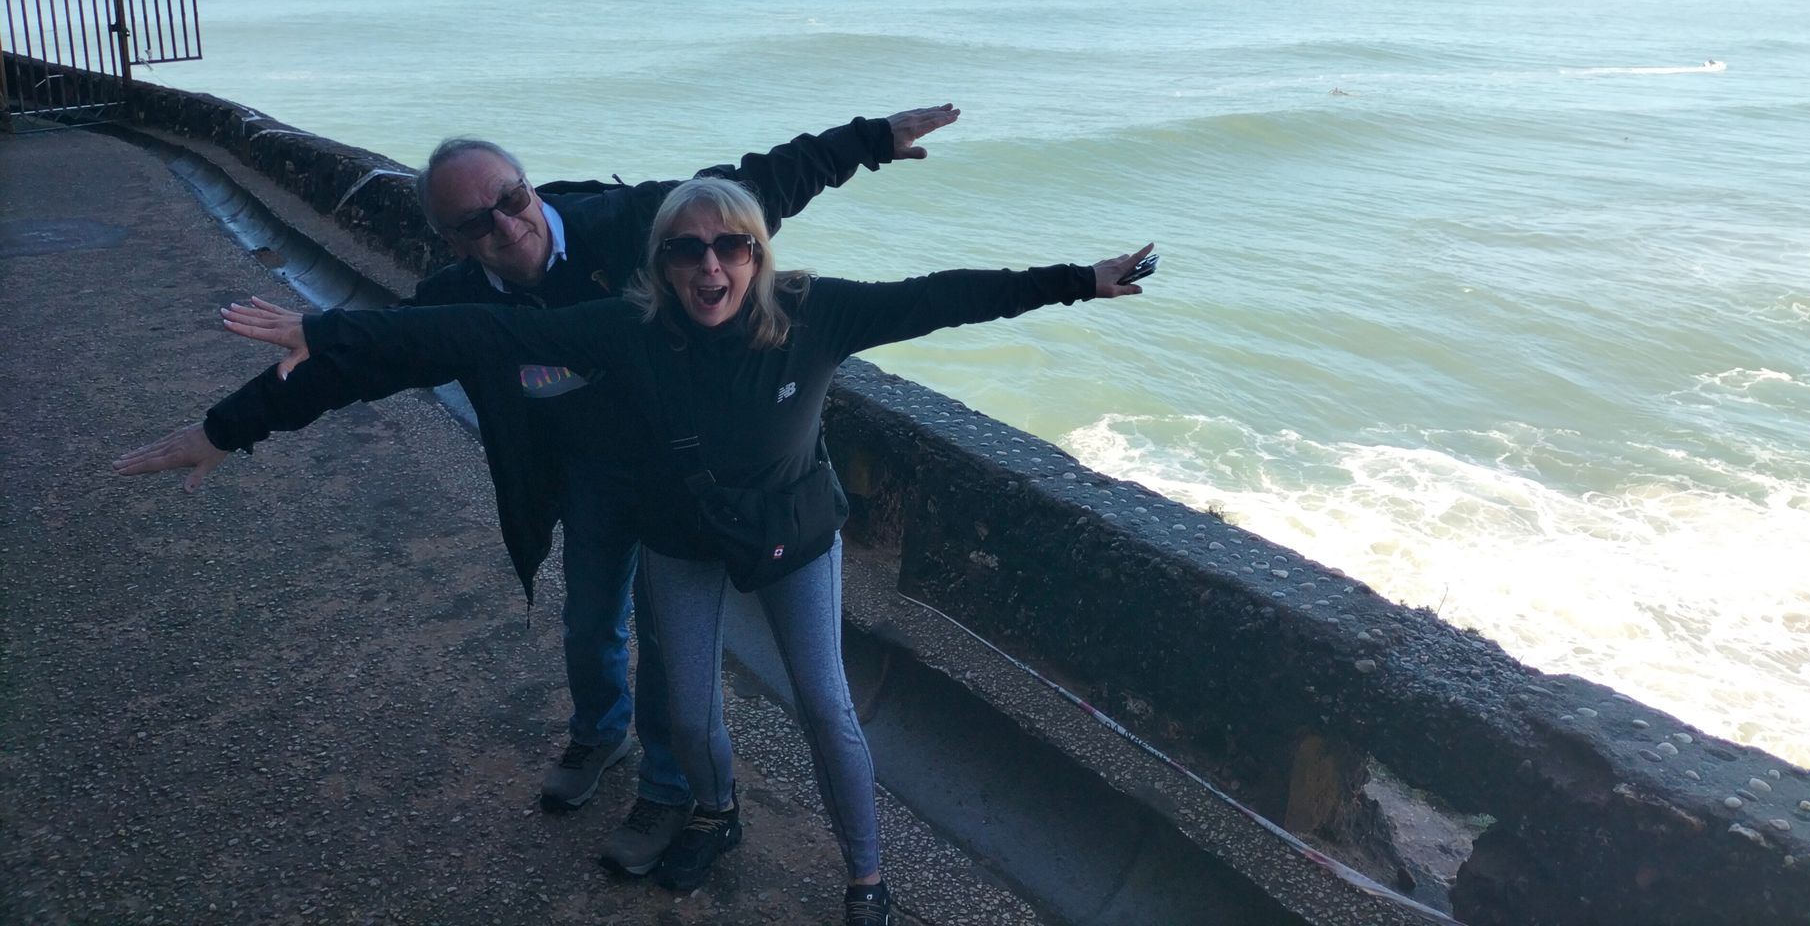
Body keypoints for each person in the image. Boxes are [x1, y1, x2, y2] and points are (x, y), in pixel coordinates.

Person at [217, 176, 1153, 926]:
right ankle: (716, 812)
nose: (712, 266)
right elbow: (485, 326)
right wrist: (324, 328)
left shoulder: (813, 312)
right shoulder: (627, 327)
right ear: (662, 264)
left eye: (731, 245)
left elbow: (943, 298)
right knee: (692, 714)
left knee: (826, 708)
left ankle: (866, 881)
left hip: (792, 537)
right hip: (680, 537)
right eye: (687, 250)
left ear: (758, 252)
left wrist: (1078, 279)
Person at [112, 106, 958, 877]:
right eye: (474, 223)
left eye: (511, 199)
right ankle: (598, 735)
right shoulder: (459, 302)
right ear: (452, 241)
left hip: (677, 480)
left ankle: (670, 789)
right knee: (591, 620)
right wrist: (225, 431)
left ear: (528, 185)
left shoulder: (629, 227)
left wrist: (870, 142)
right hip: (584, 475)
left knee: (673, 653)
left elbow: (752, 189)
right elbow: (354, 362)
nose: (506, 226)